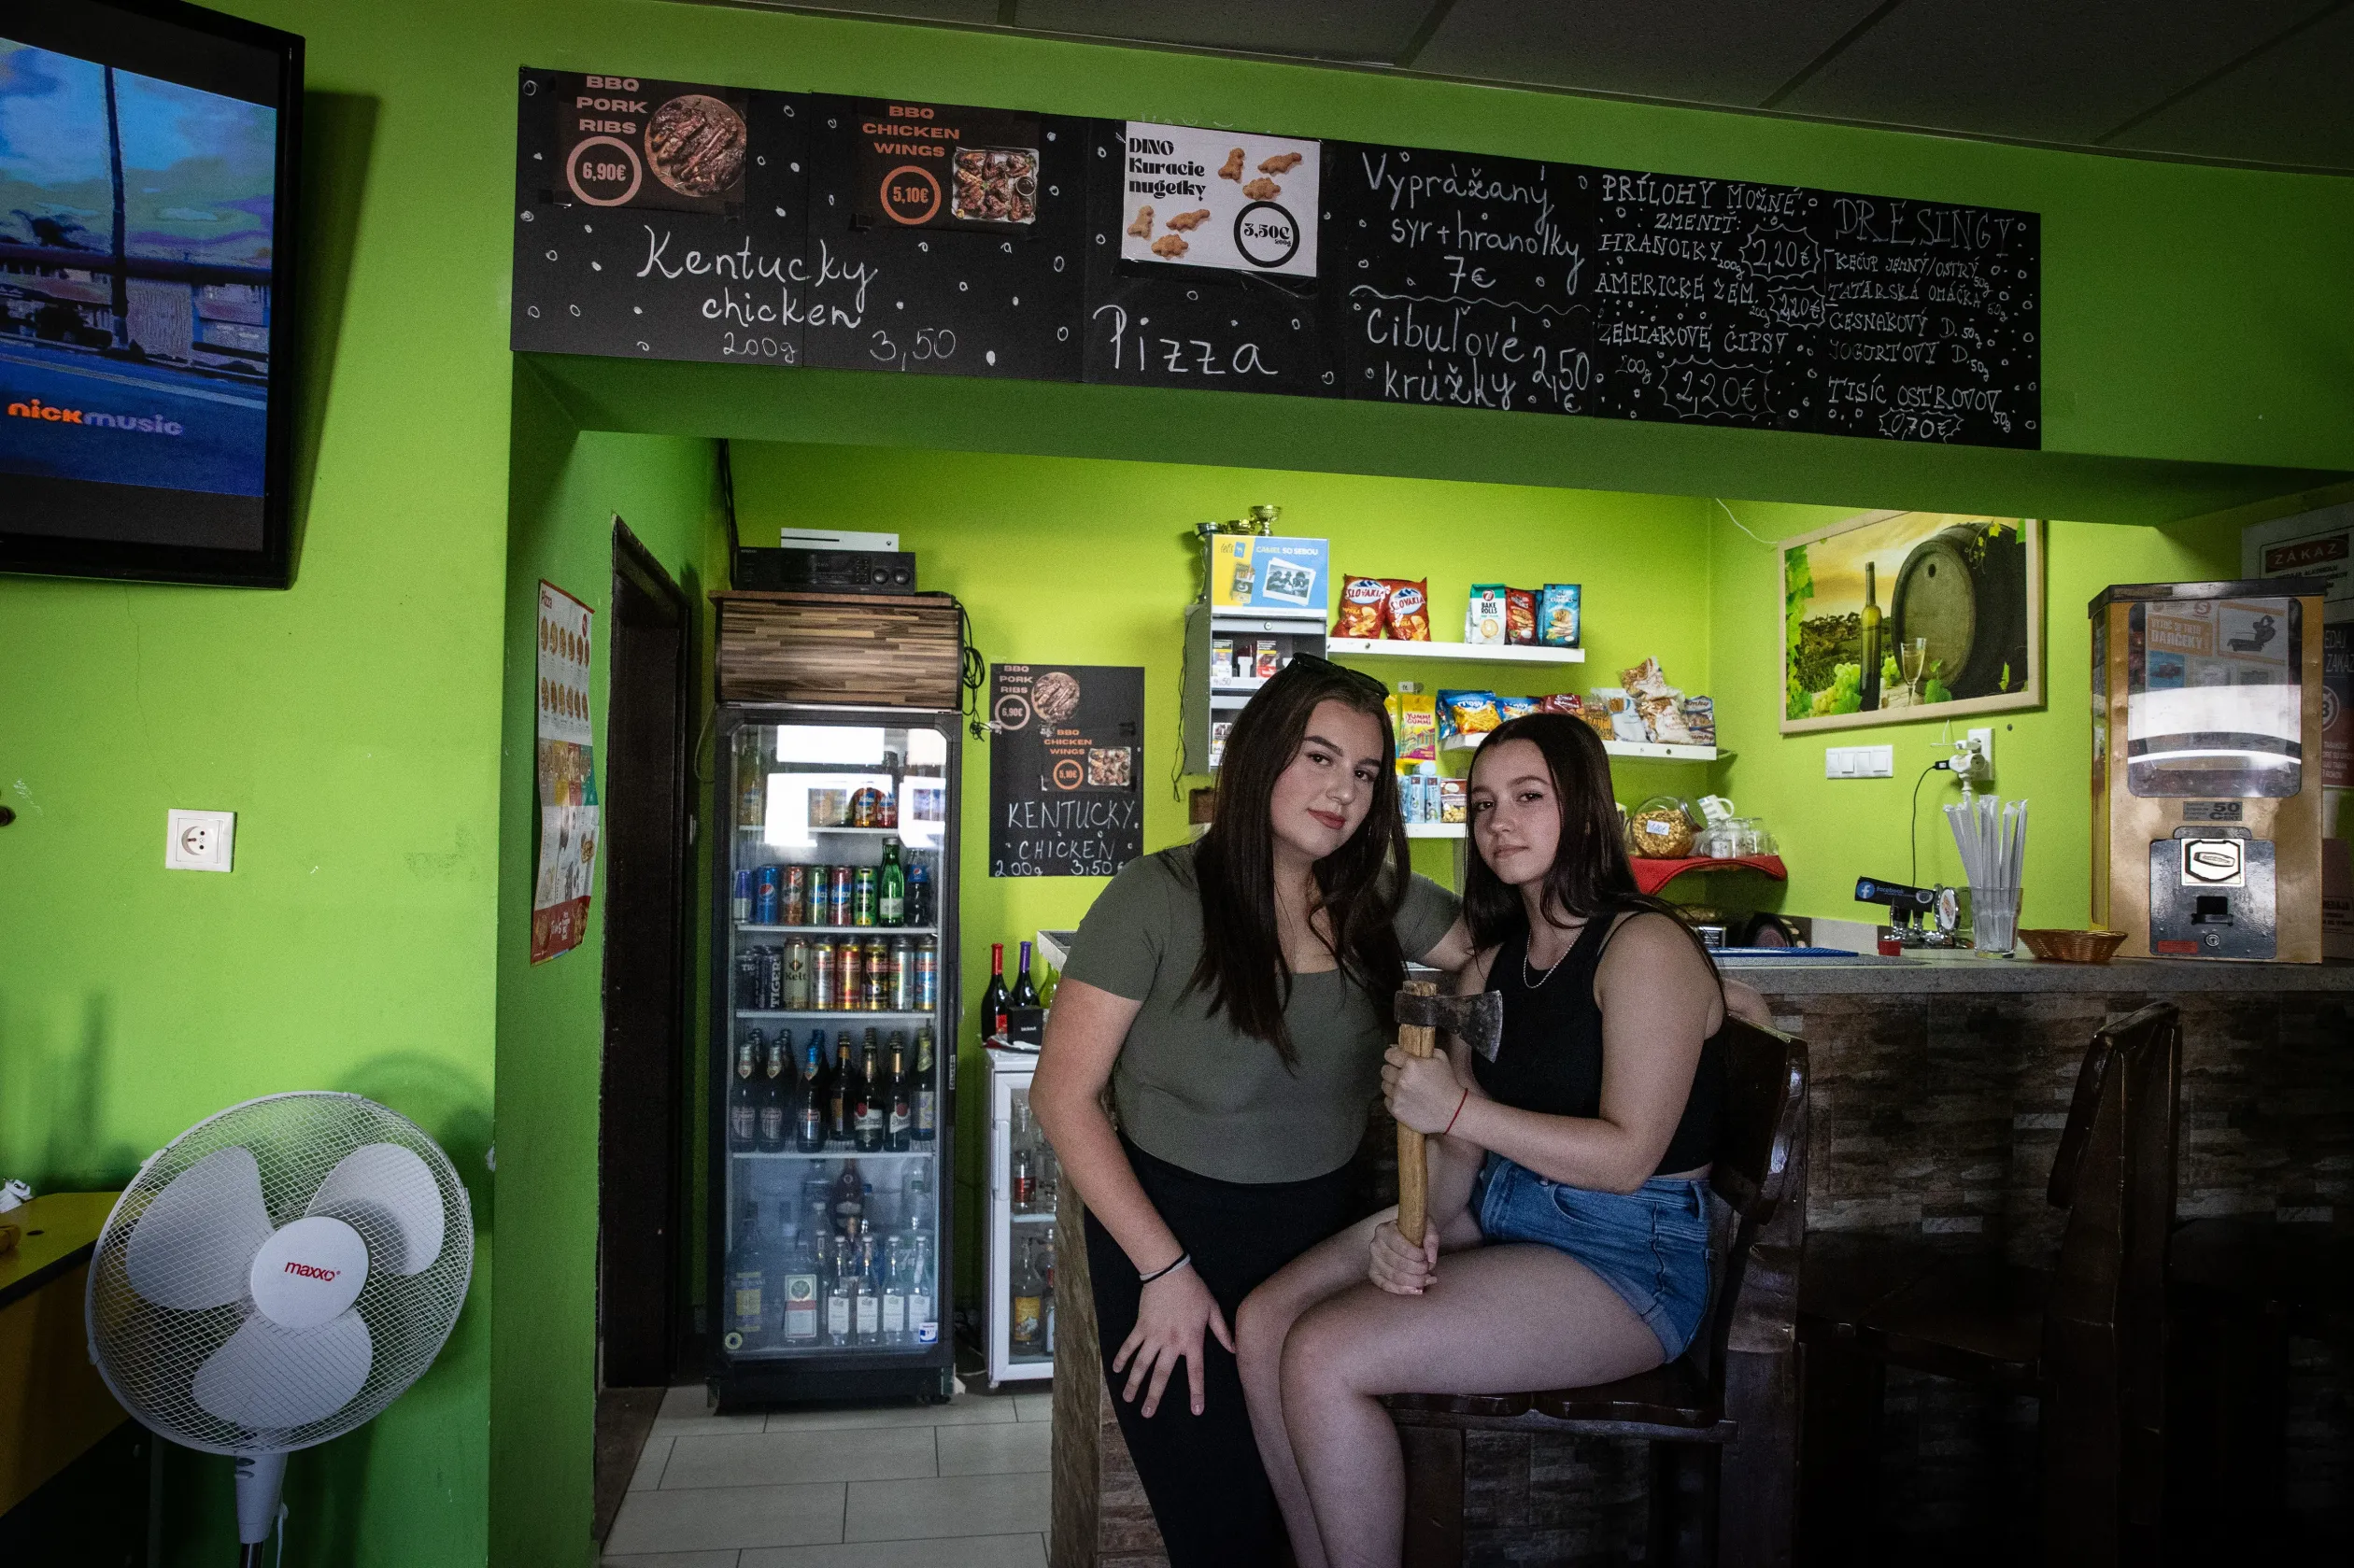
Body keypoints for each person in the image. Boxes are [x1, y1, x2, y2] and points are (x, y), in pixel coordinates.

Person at [1235, 712, 1769, 1568]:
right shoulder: (1488, 968)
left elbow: (1627, 1155)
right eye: (1483, 804)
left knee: (1323, 1355)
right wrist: (1414, 1236)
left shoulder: (1646, 950)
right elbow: (1458, 1175)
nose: (1499, 824)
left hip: (1631, 1256)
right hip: (1507, 1214)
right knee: (1265, 1323)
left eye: (1529, 797)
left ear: (1586, 811)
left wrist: (1453, 1110)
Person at [1031, 656, 1473, 1567]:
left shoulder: (1375, 898)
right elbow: (1061, 1094)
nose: (1341, 791)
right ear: (1260, 753)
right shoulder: (1155, 897)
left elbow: (1512, 951)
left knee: (1321, 1519)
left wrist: (1661, 965)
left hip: (1320, 1248)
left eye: (1364, 771)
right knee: (1223, 1531)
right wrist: (1164, 1271)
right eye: (1318, 757)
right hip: (1170, 1248)